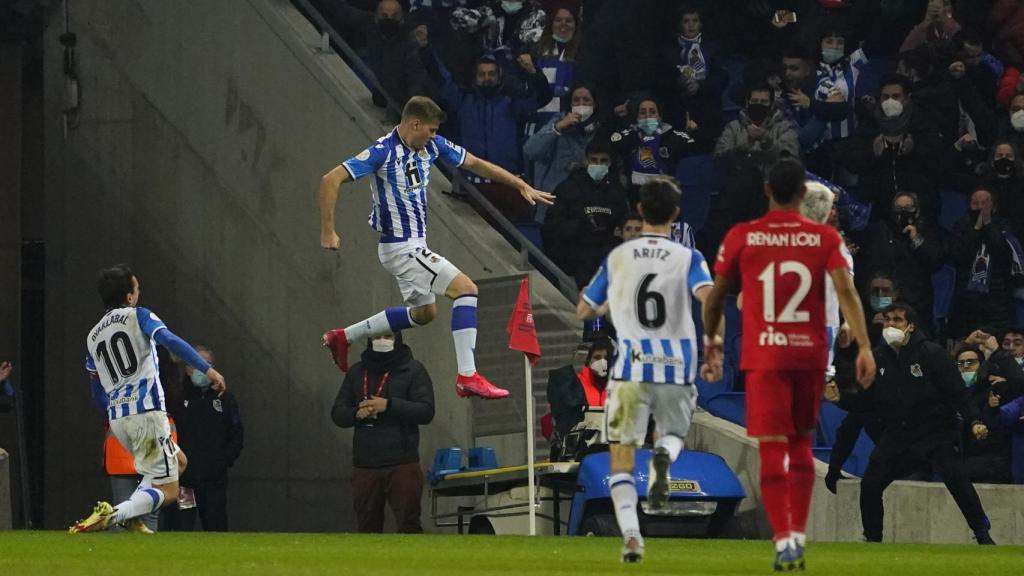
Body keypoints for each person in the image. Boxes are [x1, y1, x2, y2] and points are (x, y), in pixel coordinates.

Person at [701, 158, 875, 570]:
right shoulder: (829, 242)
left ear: (767, 192)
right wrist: (863, 344)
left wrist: (712, 344)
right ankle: (797, 531)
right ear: (801, 194)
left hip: (766, 354)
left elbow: (723, 296)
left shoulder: (745, 236)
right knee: (799, 448)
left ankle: (783, 537)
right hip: (809, 355)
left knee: (771, 449)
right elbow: (847, 295)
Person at [319, 96, 554, 399]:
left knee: (424, 313)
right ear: (414, 123)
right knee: (466, 290)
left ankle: (343, 337)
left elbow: (474, 163)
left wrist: (519, 184)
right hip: (402, 247)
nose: (433, 136)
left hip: (414, 245)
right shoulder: (383, 152)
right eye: (429, 130)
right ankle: (468, 375)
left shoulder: (431, 145)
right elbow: (330, 179)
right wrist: (328, 231)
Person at [576, 178, 720, 563]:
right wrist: (715, 345)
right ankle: (662, 460)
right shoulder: (688, 258)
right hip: (675, 365)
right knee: (672, 434)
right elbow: (710, 300)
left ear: (640, 212)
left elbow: (583, 310)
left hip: (630, 368)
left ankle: (632, 536)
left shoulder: (619, 258)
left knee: (620, 456)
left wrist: (605, 307)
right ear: (675, 214)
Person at [69, 264, 226, 533]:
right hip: (146, 412)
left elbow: (95, 389)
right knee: (170, 489)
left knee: (180, 462)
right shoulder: (138, 316)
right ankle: (114, 514)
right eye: (137, 288)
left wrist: (111, 415)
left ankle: (130, 513)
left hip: (119, 419)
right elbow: (169, 340)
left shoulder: (92, 336)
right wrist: (207, 369)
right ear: (129, 296)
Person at [832, 303, 995, 544]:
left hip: (935, 431)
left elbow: (958, 394)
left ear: (910, 326)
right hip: (899, 434)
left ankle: (982, 534)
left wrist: (975, 421)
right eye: (887, 320)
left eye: (897, 320)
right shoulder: (877, 358)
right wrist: (840, 399)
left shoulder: (932, 354)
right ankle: (872, 539)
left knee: (957, 481)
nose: (890, 325)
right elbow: (864, 402)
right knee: (870, 484)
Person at [331, 332, 435, 533]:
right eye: (377, 336)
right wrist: (356, 413)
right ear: (369, 340)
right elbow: (337, 413)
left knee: (409, 526)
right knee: (367, 528)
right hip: (365, 465)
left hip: (402, 463)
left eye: (388, 336)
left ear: (398, 338)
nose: (382, 341)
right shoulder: (357, 372)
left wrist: (388, 405)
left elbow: (426, 411)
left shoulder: (412, 370)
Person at [172, 346, 244, 531]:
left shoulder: (225, 399)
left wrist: (224, 460)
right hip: (184, 481)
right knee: (183, 525)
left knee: (215, 524)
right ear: (187, 368)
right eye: (196, 364)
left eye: (206, 364)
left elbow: (236, 433)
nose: (200, 370)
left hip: (214, 480)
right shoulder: (177, 399)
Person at [542, 138, 628, 288]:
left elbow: (624, 223)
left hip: (608, 259)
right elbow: (552, 227)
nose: (598, 165)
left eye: (603, 161)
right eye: (593, 160)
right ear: (585, 160)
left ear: (610, 163)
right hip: (575, 260)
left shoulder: (617, 191)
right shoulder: (567, 188)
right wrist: (581, 226)